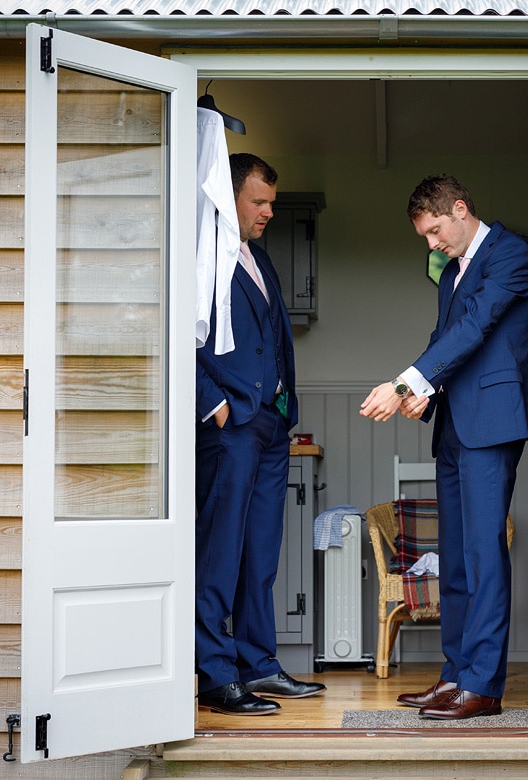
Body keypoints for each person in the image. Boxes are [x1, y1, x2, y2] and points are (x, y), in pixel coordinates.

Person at [360, 174, 528, 720]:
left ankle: (483, 686)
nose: (432, 244)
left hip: (492, 424)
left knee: (485, 555)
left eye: (435, 230)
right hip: (454, 427)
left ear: (460, 208)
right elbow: (445, 342)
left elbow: (477, 328)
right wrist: (427, 391)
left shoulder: (513, 254)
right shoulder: (449, 275)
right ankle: (456, 676)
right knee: (458, 558)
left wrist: (403, 385)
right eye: (425, 236)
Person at [195, 153, 325, 716]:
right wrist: (215, 405)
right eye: (260, 201)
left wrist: (283, 410)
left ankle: (258, 664)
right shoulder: (204, 258)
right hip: (231, 426)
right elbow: (176, 333)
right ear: (230, 198)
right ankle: (215, 674)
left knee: (261, 553)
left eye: (272, 201)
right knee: (219, 553)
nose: (270, 210)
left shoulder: (261, 260)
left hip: (271, 426)